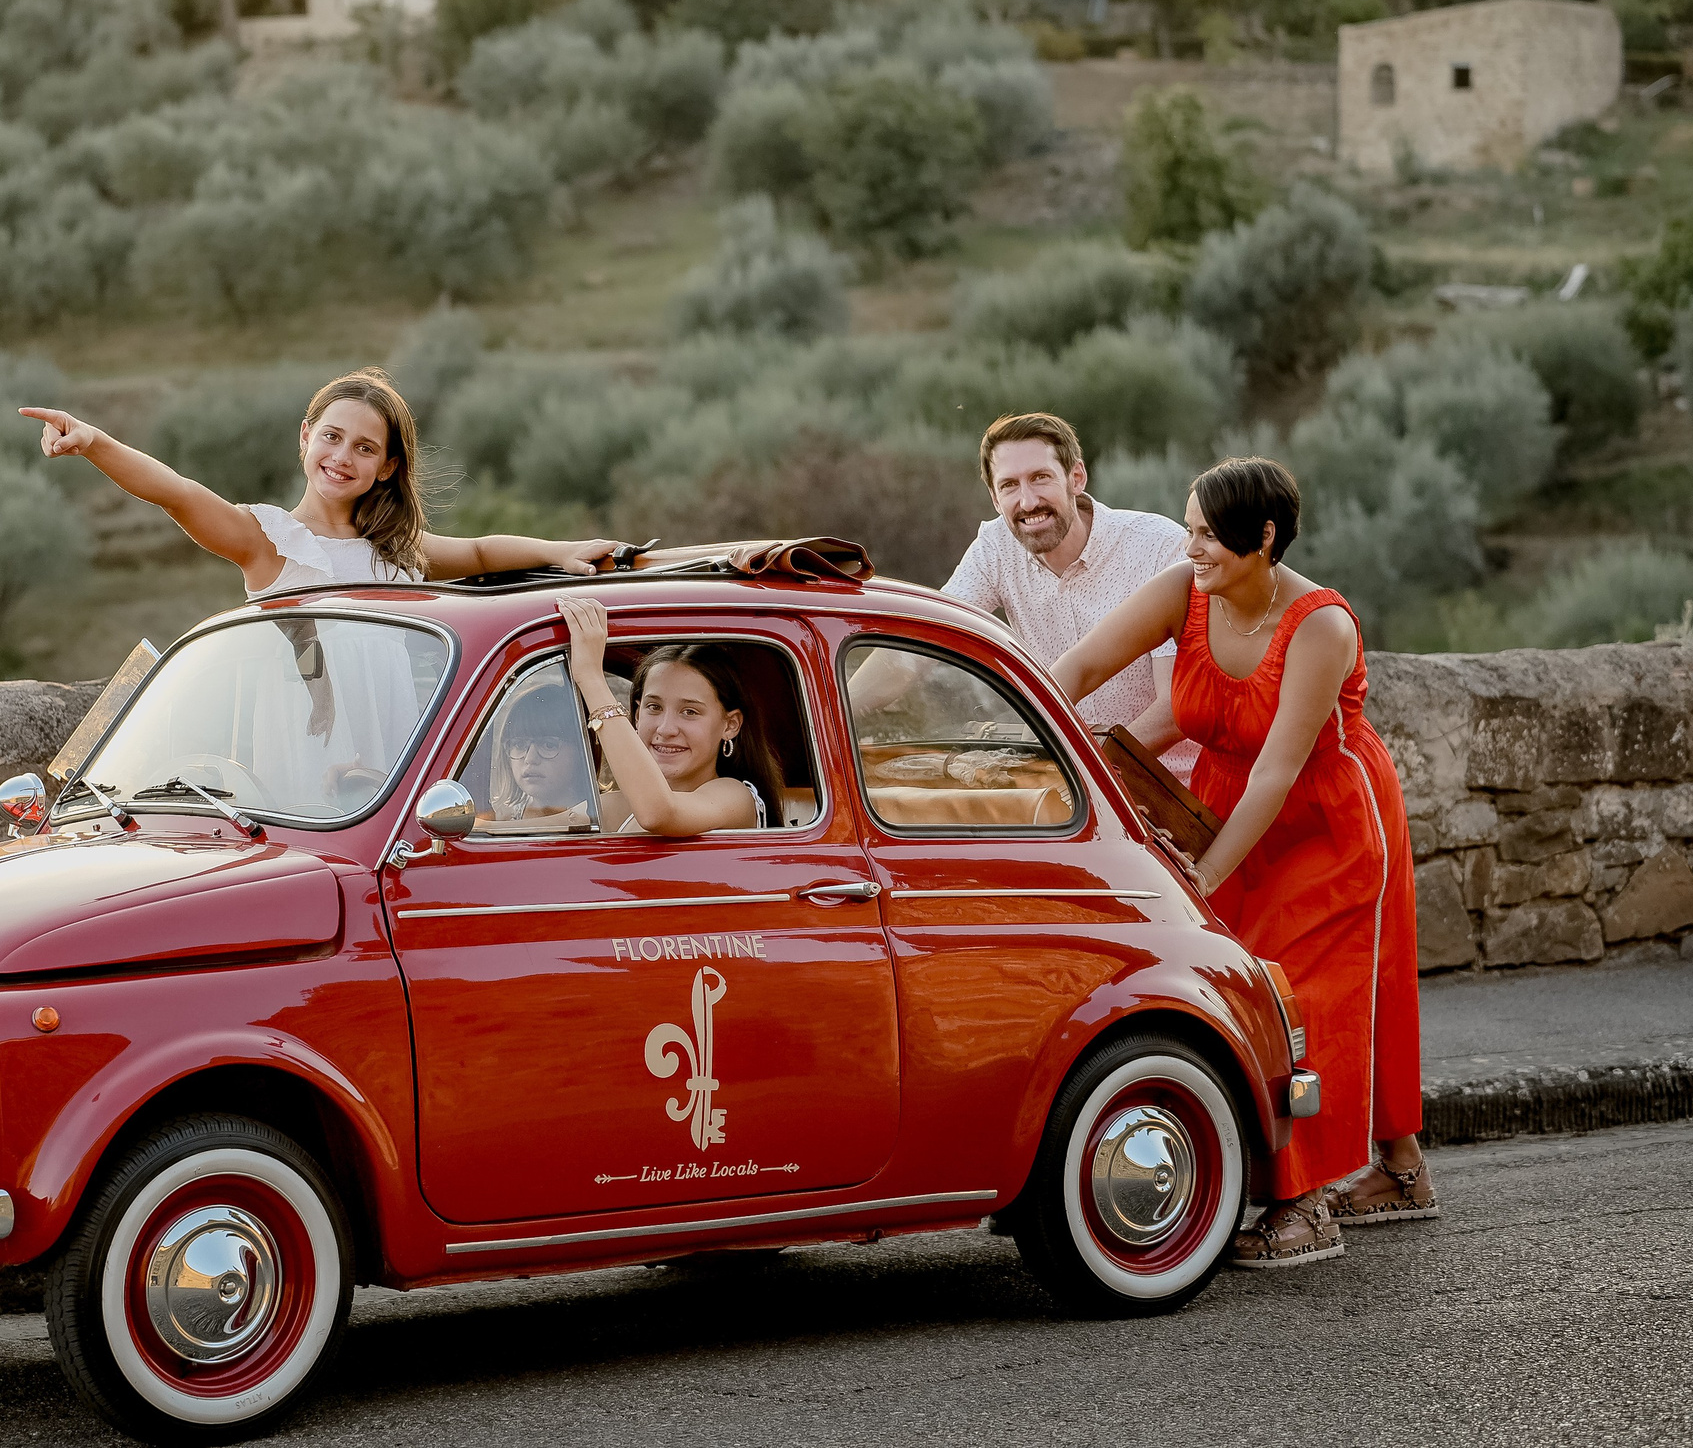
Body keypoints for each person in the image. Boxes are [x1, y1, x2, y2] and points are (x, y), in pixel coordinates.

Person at [1049, 456, 1428, 1269]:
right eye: (1186, 528)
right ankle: (1403, 1168)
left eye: (1206, 533)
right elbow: (1076, 671)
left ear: (1263, 538)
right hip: (1226, 810)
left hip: (1324, 820)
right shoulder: (1185, 590)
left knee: (1303, 994)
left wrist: (1204, 878)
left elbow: (1278, 771)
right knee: (1251, 985)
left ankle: (1304, 1202)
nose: (1190, 548)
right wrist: (1037, 744)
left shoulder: (1321, 625)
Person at [20, 368, 622, 595]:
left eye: (365, 448)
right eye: (331, 437)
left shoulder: (397, 550)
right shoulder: (265, 539)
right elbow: (175, 490)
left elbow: (484, 552)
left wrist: (563, 551)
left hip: (398, 759)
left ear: (387, 467)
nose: (342, 457)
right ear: (305, 438)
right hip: (304, 754)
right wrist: (94, 442)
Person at [855, 413, 1194, 776]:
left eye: (1040, 478)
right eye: (1010, 486)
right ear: (994, 497)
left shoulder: (1157, 546)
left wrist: (1090, 772)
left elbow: (1175, 709)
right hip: (1068, 784)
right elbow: (922, 641)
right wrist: (834, 711)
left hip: (1166, 784)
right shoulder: (996, 547)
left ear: (1076, 477)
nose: (1028, 502)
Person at [560, 596, 780, 835]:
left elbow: (658, 814)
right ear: (636, 716)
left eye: (690, 711)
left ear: (730, 725)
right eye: (654, 707)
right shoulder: (618, 806)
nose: (666, 729)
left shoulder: (734, 796)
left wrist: (591, 678)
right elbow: (524, 835)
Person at [486, 679, 597, 829]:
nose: (530, 759)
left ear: (582, 751)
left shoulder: (602, 813)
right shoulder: (502, 820)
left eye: (548, 745)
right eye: (519, 744)